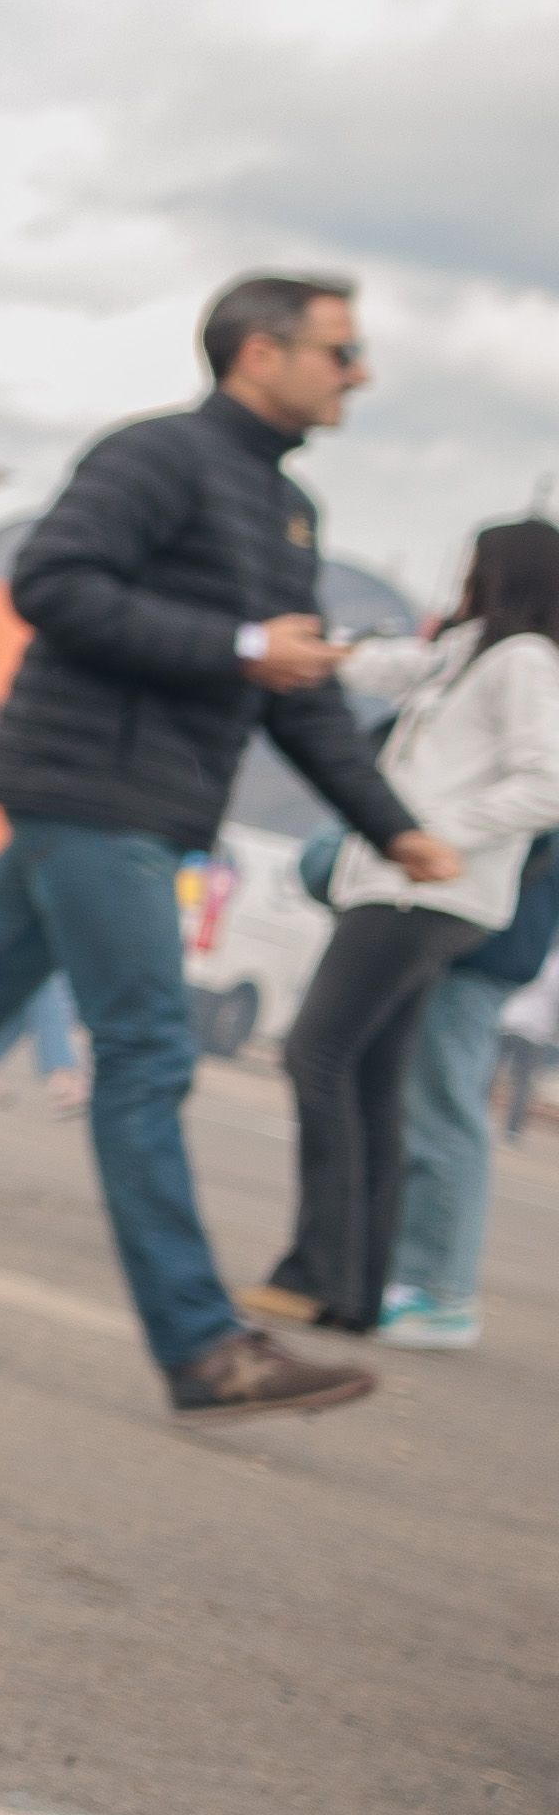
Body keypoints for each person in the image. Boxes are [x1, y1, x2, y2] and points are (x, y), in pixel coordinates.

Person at [0, 275, 451, 1414]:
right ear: (261, 353)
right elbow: (54, 584)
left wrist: (396, 828)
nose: (356, 375)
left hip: (136, 797)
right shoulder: (155, 457)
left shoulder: (284, 506)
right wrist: (243, 640)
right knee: (149, 1052)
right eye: (339, 352)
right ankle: (205, 1343)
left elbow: (292, 694)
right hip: (98, 788)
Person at [256, 524, 559, 1332]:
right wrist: (326, 652)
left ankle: (315, 1269)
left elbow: (547, 781)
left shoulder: (523, 662)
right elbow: (398, 663)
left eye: (474, 565)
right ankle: (355, 1290)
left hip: (421, 893)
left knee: (314, 1054)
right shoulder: (471, 653)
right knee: (371, 1081)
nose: (462, 577)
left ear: (506, 574)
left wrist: (428, 835)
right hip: (412, 891)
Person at [379, 836, 548, 1348]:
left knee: (443, 1110)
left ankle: (438, 1290)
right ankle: (420, 1278)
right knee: (430, 1106)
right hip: (483, 937)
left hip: (478, 941)